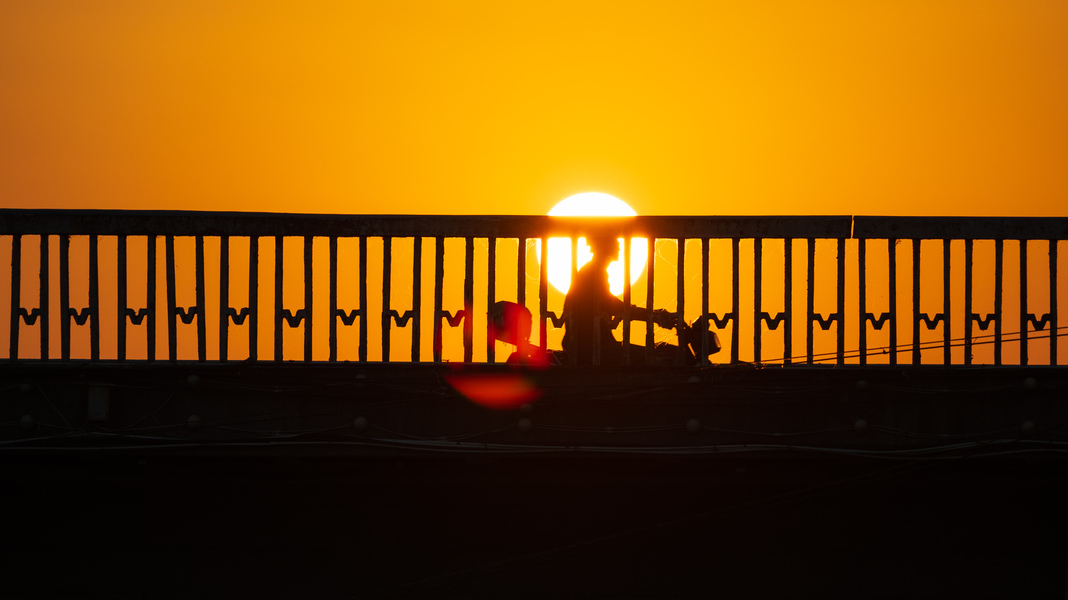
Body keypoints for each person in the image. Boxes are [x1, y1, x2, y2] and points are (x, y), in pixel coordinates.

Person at [561, 235, 674, 365]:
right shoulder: (593, 273)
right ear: (604, 245)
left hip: (590, 346)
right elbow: (613, 306)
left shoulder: (592, 271)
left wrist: (652, 315)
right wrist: (652, 316)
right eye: (615, 241)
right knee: (656, 356)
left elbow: (613, 305)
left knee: (652, 353)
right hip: (592, 349)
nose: (619, 246)